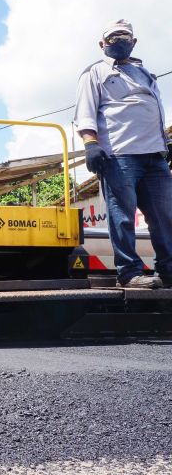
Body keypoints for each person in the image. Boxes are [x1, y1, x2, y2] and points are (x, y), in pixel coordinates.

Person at [74, 19, 172, 289]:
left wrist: (164, 142)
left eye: (124, 36)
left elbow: (155, 112)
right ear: (102, 44)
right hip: (119, 155)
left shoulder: (146, 74)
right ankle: (129, 273)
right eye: (114, 37)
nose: (119, 40)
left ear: (134, 42)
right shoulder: (94, 73)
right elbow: (85, 111)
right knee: (123, 215)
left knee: (165, 217)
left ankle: (169, 270)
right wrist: (91, 144)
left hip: (154, 156)